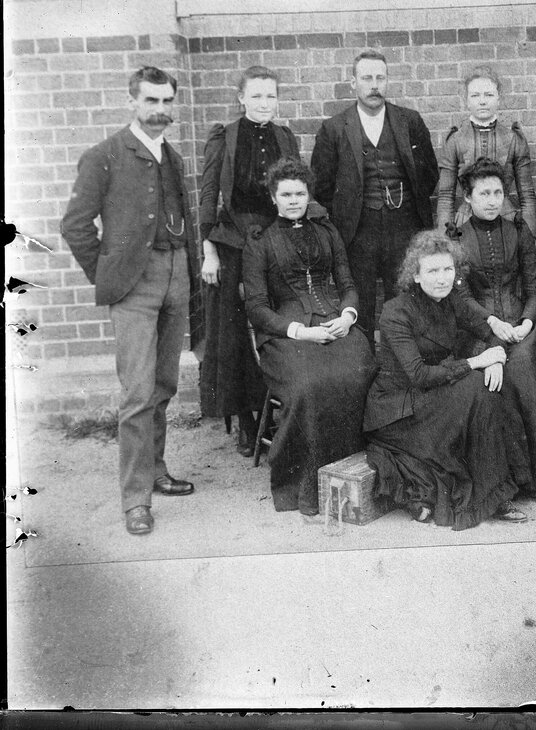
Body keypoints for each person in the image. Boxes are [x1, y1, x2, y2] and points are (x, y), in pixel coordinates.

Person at [61, 66, 200, 535]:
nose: (159, 111)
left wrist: (186, 271)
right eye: (150, 101)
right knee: (137, 393)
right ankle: (135, 498)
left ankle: (156, 471)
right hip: (134, 288)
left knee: (163, 384)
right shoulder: (103, 156)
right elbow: (75, 227)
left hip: (175, 274)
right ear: (132, 102)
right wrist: (108, 277)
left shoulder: (173, 157)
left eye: (166, 102)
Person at [364, 231, 531, 530]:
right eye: (432, 271)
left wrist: (497, 356)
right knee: (476, 391)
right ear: (415, 276)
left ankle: (500, 487)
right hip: (400, 407)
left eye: (448, 269)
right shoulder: (395, 312)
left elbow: (489, 330)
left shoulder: (452, 300)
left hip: (435, 391)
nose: (442, 278)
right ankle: (491, 496)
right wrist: (479, 361)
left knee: (485, 388)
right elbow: (418, 375)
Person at [242, 158, 376, 516]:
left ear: (308, 195)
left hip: (334, 323)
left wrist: (347, 317)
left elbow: (347, 284)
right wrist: (300, 331)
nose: (293, 200)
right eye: (285, 194)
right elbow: (256, 307)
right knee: (310, 385)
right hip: (284, 334)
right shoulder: (260, 242)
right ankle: (305, 488)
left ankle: (361, 474)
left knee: (363, 370)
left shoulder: (327, 232)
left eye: (299, 193)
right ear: (273, 197)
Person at [452, 158, 536, 499]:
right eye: (483, 193)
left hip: (520, 327)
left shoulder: (519, 231)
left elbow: (533, 290)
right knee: (492, 378)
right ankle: (503, 478)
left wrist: (527, 322)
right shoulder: (456, 237)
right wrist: (492, 325)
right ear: (468, 198)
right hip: (477, 331)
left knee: (525, 367)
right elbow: (460, 297)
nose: (492, 200)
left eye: (498, 192)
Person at [198, 66, 299, 456]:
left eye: (270, 96)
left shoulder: (284, 138)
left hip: (275, 240)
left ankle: (285, 407)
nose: (264, 103)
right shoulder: (224, 138)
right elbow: (208, 196)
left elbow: (295, 189)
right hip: (233, 241)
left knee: (277, 319)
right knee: (236, 332)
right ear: (241, 98)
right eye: (256, 96)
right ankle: (246, 418)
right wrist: (207, 250)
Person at [310, 49, 439, 345]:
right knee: (360, 305)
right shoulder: (334, 128)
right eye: (367, 78)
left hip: (405, 227)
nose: (374, 85)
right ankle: (365, 373)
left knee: (405, 300)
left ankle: (404, 371)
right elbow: (322, 184)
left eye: (380, 77)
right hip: (358, 232)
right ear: (353, 82)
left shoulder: (410, 121)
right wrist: (351, 207)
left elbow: (428, 174)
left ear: (387, 81)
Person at [437, 66, 536, 236]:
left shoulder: (514, 139)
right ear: (467, 100)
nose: (482, 101)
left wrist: (529, 236)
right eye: (475, 95)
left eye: (489, 95)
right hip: (466, 223)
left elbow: (526, 195)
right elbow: (446, 196)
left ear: (498, 98)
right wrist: (444, 239)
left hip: (506, 221)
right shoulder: (455, 140)